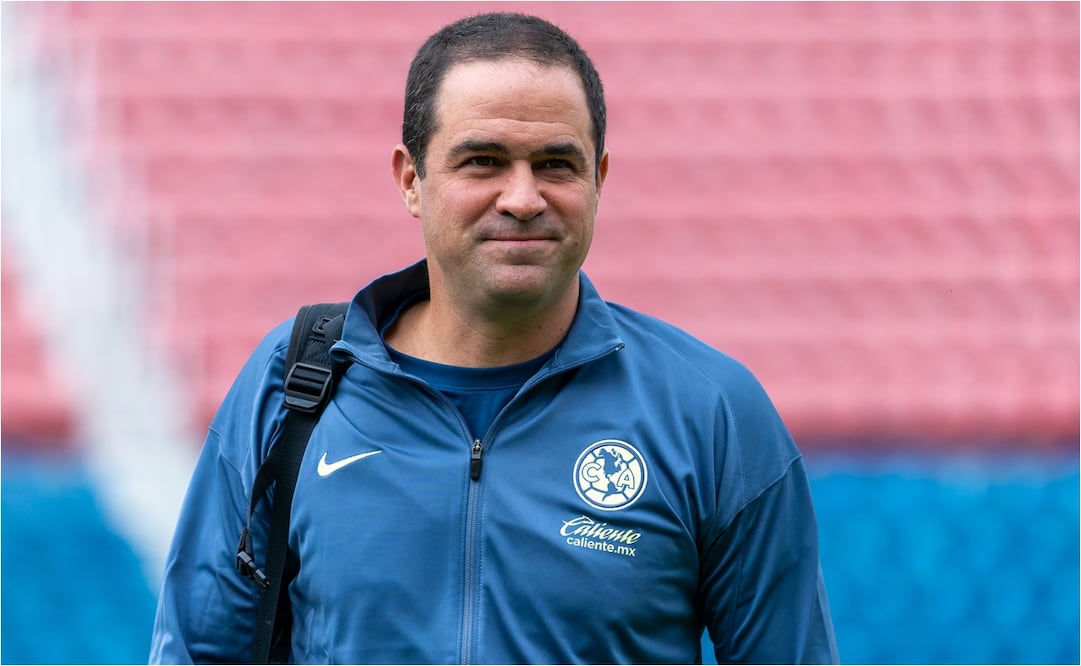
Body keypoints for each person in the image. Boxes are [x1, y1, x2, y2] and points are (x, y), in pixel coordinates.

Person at [150, 12, 838, 665]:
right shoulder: (296, 386)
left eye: (556, 164)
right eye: (482, 161)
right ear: (411, 180)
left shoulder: (709, 412)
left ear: (598, 180)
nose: (521, 198)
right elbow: (198, 648)